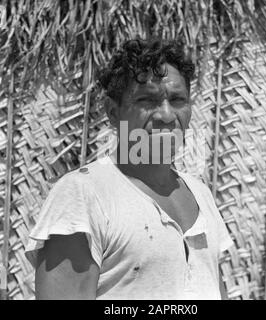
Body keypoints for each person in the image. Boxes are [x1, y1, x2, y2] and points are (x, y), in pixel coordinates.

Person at [25, 37, 234, 300]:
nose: (166, 116)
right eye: (148, 100)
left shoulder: (201, 194)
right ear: (113, 113)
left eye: (178, 99)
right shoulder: (85, 196)